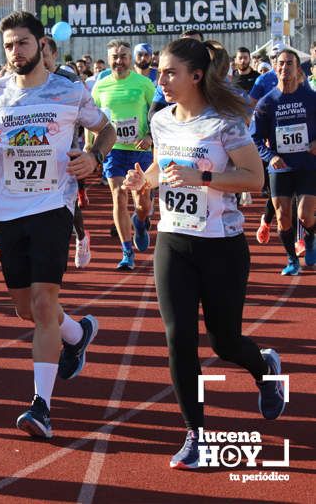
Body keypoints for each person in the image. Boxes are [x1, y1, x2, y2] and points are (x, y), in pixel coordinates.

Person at [122, 37, 285, 469]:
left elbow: (254, 179)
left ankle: (265, 368)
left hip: (222, 245)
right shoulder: (160, 121)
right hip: (173, 242)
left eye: (170, 72)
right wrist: (146, 183)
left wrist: (204, 175)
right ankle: (196, 432)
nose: (161, 79)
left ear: (196, 75)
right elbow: (163, 166)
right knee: (179, 340)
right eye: (158, 71)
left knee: (224, 340)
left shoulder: (225, 123)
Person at [0, 11, 116, 439]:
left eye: (23, 43)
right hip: (9, 210)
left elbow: (108, 129)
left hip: (52, 206)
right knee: (25, 308)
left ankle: (40, 407)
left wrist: (94, 158)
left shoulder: (69, 91)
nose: (15, 52)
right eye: (8, 45)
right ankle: (77, 332)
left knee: (44, 303)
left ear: (42, 45)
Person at [91, 39, 156, 270]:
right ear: (109, 59)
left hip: (140, 151)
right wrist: (94, 150)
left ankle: (140, 223)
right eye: (115, 57)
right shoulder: (100, 86)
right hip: (114, 150)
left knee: (142, 204)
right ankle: (127, 251)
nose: (119, 61)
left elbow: (158, 114)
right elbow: (93, 120)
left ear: (131, 58)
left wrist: (149, 137)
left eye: (123, 56)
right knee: (118, 195)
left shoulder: (144, 83)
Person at [251, 49, 316, 274]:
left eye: (289, 63)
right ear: (275, 67)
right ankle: (292, 260)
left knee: (305, 216)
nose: (284, 67)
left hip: (308, 164)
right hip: (280, 167)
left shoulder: (310, 98)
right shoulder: (267, 103)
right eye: (280, 63)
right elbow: (255, 137)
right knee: (282, 217)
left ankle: (310, 236)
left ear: (298, 68)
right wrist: (271, 156)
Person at [41, 37, 92, 269]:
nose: (39, 59)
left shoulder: (69, 80)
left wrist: (89, 151)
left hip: (65, 147)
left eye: (44, 54)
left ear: (54, 55)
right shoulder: (24, 79)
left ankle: (81, 237)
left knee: (68, 203)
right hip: (35, 148)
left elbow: (88, 115)